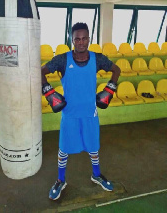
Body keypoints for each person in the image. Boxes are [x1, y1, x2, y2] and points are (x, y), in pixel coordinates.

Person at [41, 22, 121, 200]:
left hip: (90, 114)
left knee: (93, 148)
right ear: (72, 40)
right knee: (64, 149)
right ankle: (60, 180)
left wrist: (110, 89)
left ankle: (97, 175)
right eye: (77, 38)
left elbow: (116, 69)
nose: (81, 42)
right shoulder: (62, 59)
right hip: (69, 114)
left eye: (84, 38)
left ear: (89, 39)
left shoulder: (97, 58)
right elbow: (41, 72)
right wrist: (49, 92)